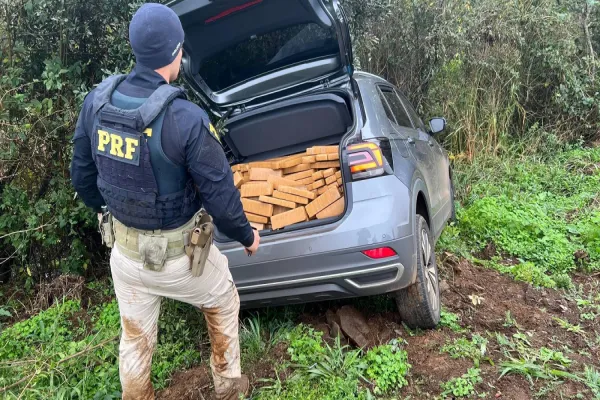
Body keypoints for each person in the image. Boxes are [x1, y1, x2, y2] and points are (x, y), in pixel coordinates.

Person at [70, 3, 260, 399]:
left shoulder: (97, 104)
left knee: (135, 339)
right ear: (177, 53)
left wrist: (115, 210)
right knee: (224, 300)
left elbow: (83, 178)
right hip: (181, 261)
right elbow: (220, 197)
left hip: (125, 257)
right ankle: (228, 387)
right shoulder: (185, 119)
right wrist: (247, 236)